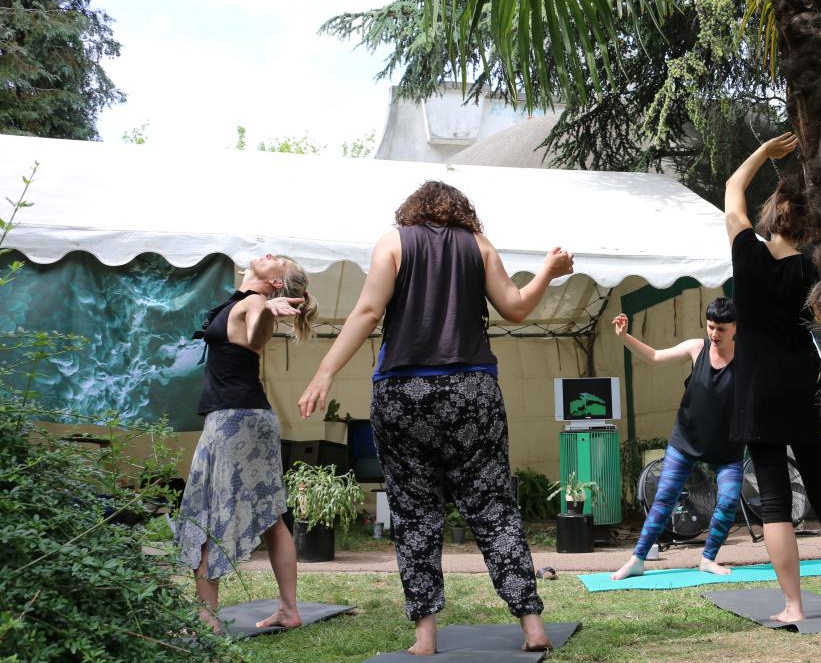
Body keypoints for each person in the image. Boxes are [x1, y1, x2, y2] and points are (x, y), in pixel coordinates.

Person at [296, 181, 572, 656]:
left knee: (414, 514)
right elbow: (517, 308)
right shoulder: (478, 246)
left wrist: (324, 371)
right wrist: (548, 269)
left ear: (412, 210)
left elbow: (366, 311)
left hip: (403, 393)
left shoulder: (393, 243)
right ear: (462, 212)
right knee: (492, 508)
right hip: (472, 391)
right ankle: (532, 626)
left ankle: (425, 638)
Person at [723, 132, 821, 623]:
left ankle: (793, 607)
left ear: (771, 219)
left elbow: (731, 189)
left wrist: (761, 152)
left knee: (776, 502)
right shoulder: (813, 269)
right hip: (806, 384)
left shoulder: (747, 254)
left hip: (758, 390)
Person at [175, 253, 318, 633]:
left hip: (236, 419)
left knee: (208, 513)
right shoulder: (242, 300)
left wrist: (268, 311)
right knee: (271, 518)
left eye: (280, 261)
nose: (271, 254)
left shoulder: (255, 304)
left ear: (275, 284)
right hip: (241, 416)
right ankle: (288, 609)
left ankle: (207, 619)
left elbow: (255, 337)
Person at [610, 297, 744, 580]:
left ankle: (708, 559)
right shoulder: (697, 348)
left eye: (721, 329)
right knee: (664, 499)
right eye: (710, 327)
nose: (714, 334)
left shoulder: (748, 358)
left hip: (726, 447)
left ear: (735, 327)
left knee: (730, 499)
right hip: (685, 441)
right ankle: (637, 559)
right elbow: (656, 357)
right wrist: (625, 337)